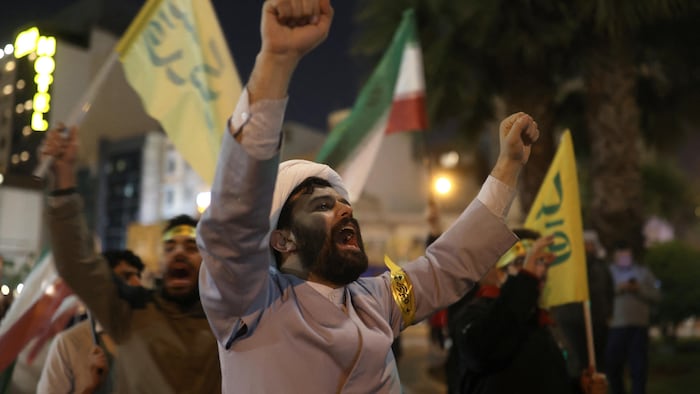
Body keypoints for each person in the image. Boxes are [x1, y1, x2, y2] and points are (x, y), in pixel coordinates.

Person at [196, 0, 540, 392]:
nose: (344, 208)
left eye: (344, 203)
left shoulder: (376, 300)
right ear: (282, 238)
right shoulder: (248, 304)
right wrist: (275, 61)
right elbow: (234, 221)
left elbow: (446, 267)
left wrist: (508, 167)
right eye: (323, 205)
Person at [42, 127, 221, 393]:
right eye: (169, 247)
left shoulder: (227, 324)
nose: (179, 253)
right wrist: (64, 175)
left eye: (191, 246)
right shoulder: (131, 312)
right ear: (160, 264)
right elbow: (76, 264)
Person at [37, 249, 145, 394]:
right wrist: (89, 388)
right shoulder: (67, 344)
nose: (137, 284)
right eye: (126, 276)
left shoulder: (149, 339)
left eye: (138, 276)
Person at [550, 230, 614, 392]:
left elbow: (608, 290)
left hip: (597, 321)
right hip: (573, 321)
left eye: (590, 244)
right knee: (580, 363)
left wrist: (608, 313)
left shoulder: (601, 266)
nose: (587, 247)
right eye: (584, 244)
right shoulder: (570, 266)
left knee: (598, 362)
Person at [605, 240, 660, 394]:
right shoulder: (609, 273)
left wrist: (639, 289)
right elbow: (602, 294)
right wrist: (619, 288)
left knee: (639, 366)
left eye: (627, 256)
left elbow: (656, 295)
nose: (624, 259)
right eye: (621, 256)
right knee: (613, 364)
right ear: (615, 256)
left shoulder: (644, 273)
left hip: (639, 325)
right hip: (616, 325)